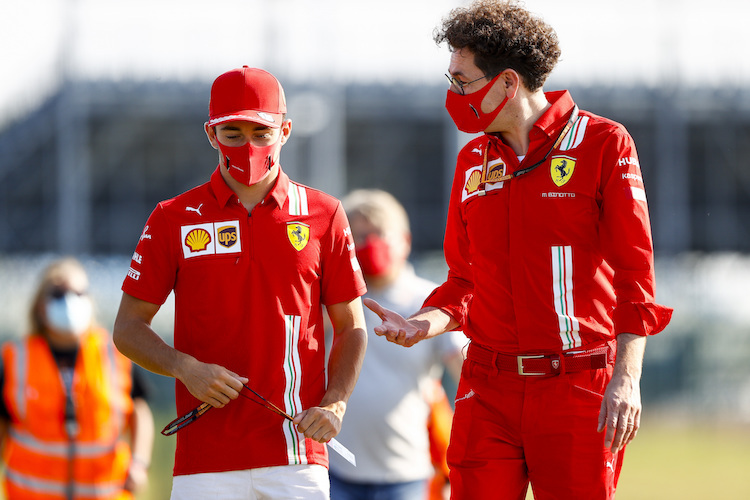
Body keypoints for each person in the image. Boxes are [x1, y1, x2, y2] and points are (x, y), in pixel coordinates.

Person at [364, 2, 674, 499]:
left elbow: (635, 275)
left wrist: (627, 379)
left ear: (507, 83)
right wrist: (424, 323)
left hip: (577, 384)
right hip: (486, 385)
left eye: (462, 81)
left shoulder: (603, 143)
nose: (453, 95)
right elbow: (464, 281)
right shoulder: (471, 161)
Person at [113, 66, 368, 500]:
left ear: (285, 130)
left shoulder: (325, 214)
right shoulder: (173, 216)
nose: (248, 145)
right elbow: (127, 328)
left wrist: (335, 402)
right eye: (232, 133)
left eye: (261, 131)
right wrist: (185, 369)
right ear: (211, 134)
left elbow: (351, 327)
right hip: (204, 460)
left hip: (296, 458)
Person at [328, 189, 466, 500]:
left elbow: (463, 368)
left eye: (377, 233)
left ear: (404, 240)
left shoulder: (429, 300)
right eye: (358, 236)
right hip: (336, 467)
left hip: (405, 473)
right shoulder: (334, 302)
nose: (368, 244)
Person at [0, 257, 154, 500]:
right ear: (40, 305)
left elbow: (139, 410)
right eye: (58, 293)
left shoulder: (115, 354)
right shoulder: (14, 359)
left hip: (106, 493)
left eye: (79, 293)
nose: (70, 301)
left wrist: (139, 463)